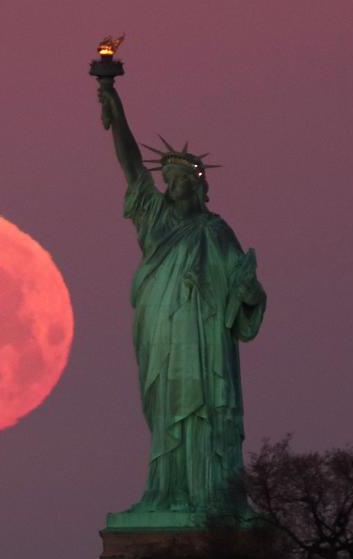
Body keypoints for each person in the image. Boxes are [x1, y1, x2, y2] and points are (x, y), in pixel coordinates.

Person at [97, 80, 267, 523]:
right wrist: (116, 107)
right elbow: (132, 166)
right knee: (168, 404)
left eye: (179, 182)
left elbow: (242, 286)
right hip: (161, 324)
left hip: (206, 333)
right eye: (167, 180)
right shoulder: (152, 215)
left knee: (207, 406)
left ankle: (213, 495)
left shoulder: (216, 230)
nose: (171, 187)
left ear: (198, 188)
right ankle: (166, 491)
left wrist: (248, 290)